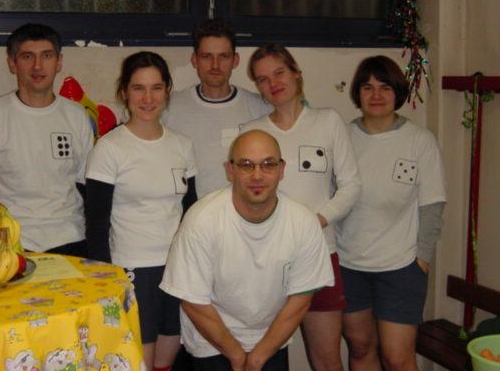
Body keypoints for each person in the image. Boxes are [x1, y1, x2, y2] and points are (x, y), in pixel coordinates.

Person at [161, 129, 334, 371]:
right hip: (210, 341)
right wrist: (237, 357)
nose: (257, 175)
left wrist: (257, 358)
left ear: (282, 169)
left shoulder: (303, 223)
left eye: (268, 165)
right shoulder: (201, 220)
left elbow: (300, 301)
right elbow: (193, 301)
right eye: (246, 165)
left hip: (271, 339)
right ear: (230, 170)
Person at [241, 44, 361, 371]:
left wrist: (317, 221)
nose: (273, 83)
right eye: (263, 79)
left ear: (296, 73)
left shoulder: (328, 121)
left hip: (319, 255)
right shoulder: (252, 132)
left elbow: (351, 186)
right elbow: (246, 193)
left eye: (279, 73)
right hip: (267, 259)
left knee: (326, 361)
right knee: (261, 357)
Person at [85, 51, 198, 371]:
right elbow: (96, 224)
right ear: (124, 92)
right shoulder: (109, 148)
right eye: (138, 88)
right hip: (132, 271)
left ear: (167, 90)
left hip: (176, 269)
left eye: (156, 88)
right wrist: (107, 281)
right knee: (140, 362)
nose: (148, 98)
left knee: (167, 358)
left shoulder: (182, 145)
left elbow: (191, 211)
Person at [336, 55, 446, 371]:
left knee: (397, 358)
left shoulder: (420, 141)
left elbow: (433, 206)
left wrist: (421, 261)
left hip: (401, 268)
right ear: (357, 93)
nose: (376, 95)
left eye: (385, 87)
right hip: (349, 265)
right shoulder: (342, 137)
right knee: (360, 349)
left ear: (398, 91)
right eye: (367, 87)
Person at [0, 23, 93, 257]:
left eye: (46, 56)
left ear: (59, 62)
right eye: (27, 56)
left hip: (69, 238)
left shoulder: (77, 116)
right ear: (12, 63)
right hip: (9, 243)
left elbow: (85, 184)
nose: (37, 66)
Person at [162, 18, 271, 198]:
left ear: (235, 60)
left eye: (223, 56)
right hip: (187, 209)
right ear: (195, 60)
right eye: (206, 57)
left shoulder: (259, 108)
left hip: (242, 210)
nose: (215, 65)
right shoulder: (169, 107)